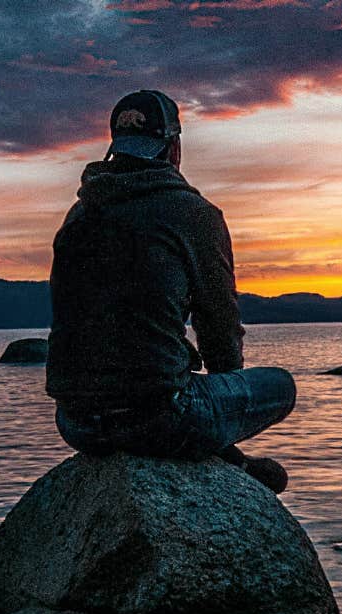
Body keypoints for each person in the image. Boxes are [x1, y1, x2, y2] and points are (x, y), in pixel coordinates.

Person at [46, 88, 295, 493]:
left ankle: (222, 455)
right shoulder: (193, 214)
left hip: (75, 423)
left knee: (172, 369)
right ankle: (226, 458)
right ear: (173, 147)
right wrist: (221, 413)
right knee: (281, 385)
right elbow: (219, 327)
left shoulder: (77, 217)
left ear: (115, 149)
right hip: (159, 418)